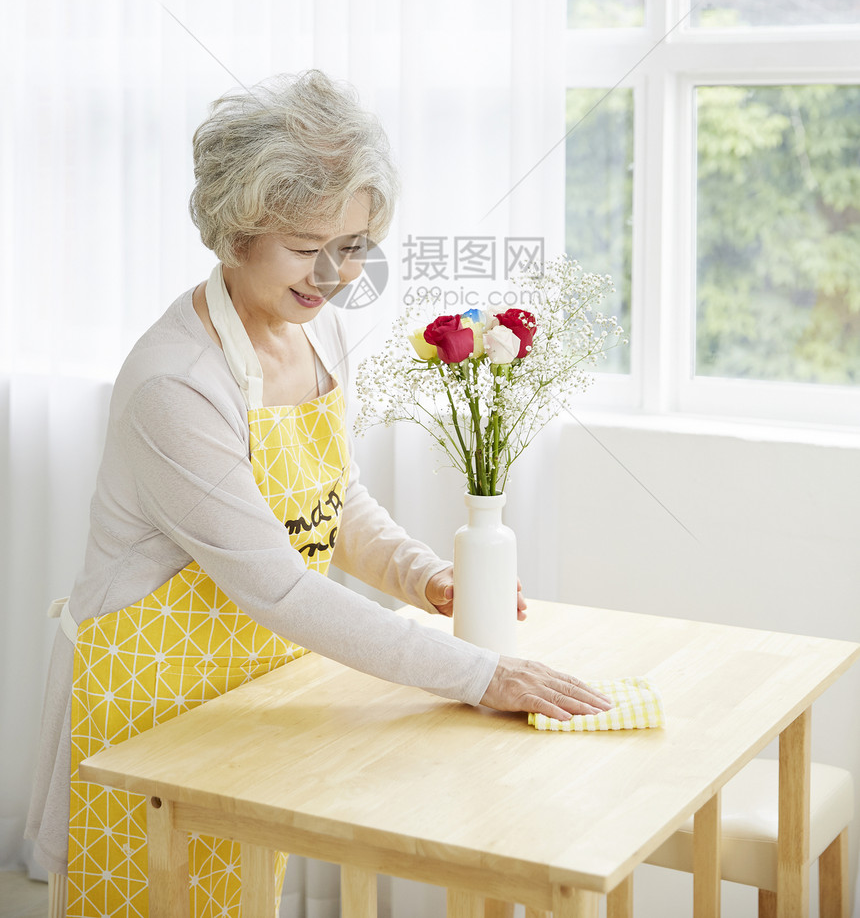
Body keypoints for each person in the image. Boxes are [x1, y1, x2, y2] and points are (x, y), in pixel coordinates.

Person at [26, 70, 611, 917]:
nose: (336, 273)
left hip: (245, 686)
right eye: (309, 245)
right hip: (145, 698)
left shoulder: (318, 324)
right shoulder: (176, 386)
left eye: (356, 245)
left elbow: (332, 501)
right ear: (234, 232)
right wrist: (480, 675)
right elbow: (280, 586)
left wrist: (422, 578)